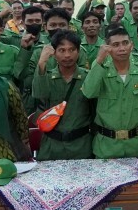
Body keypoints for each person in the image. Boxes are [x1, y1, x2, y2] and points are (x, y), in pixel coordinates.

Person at [80, 26, 138, 159]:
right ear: (107, 48)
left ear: (131, 45)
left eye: (125, 43)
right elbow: (88, 93)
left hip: (137, 145)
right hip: (107, 147)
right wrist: (99, 61)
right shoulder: (100, 71)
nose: (122, 48)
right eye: (116, 44)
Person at [32, 30, 93, 160]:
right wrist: (42, 62)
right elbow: (39, 93)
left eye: (72, 50)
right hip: (52, 146)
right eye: (62, 50)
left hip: (81, 146)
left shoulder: (88, 77)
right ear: (54, 53)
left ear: (79, 52)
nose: (67, 55)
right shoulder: (46, 76)